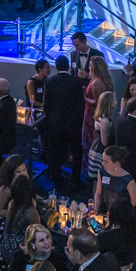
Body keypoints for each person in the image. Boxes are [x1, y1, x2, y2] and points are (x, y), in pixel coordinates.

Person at [43, 55, 86, 187]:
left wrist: (50, 121)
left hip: (55, 124)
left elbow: (46, 106)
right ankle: (75, 180)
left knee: (55, 152)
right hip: (73, 125)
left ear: (56, 66)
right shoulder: (76, 82)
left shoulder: (50, 82)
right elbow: (81, 106)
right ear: (68, 66)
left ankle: (57, 178)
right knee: (76, 152)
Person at [5, 224, 73, 271]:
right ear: (32, 243)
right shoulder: (21, 256)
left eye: (47, 237)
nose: (47, 242)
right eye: (41, 240)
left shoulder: (57, 258)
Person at [1, 175, 41, 264]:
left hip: (5, 248)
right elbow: (38, 234)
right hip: (19, 253)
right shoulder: (30, 212)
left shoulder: (11, 204)